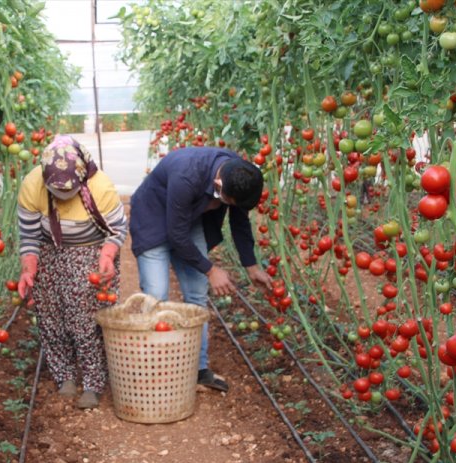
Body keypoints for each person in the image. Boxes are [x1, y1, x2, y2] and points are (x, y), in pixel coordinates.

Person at [129, 146, 270, 393]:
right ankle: (153, 373)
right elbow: (176, 234)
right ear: (218, 182)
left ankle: (198, 369)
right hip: (153, 219)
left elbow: (240, 222)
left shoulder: (238, 175)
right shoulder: (187, 174)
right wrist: (210, 269)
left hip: (187, 219)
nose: (225, 204)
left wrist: (251, 265)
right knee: (156, 297)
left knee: (196, 295)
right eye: (225, 200)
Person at [17, 135, 127, 409]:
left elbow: (117, 230)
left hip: (91, 250)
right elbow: (29, 235)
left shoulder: (101, 187)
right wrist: (29, 268)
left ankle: (93, 382)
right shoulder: (32, 185)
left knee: (85, 316)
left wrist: (107, 255)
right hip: (49, 249)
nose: (63, 196)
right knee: (49, 313)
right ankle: (64, 375)